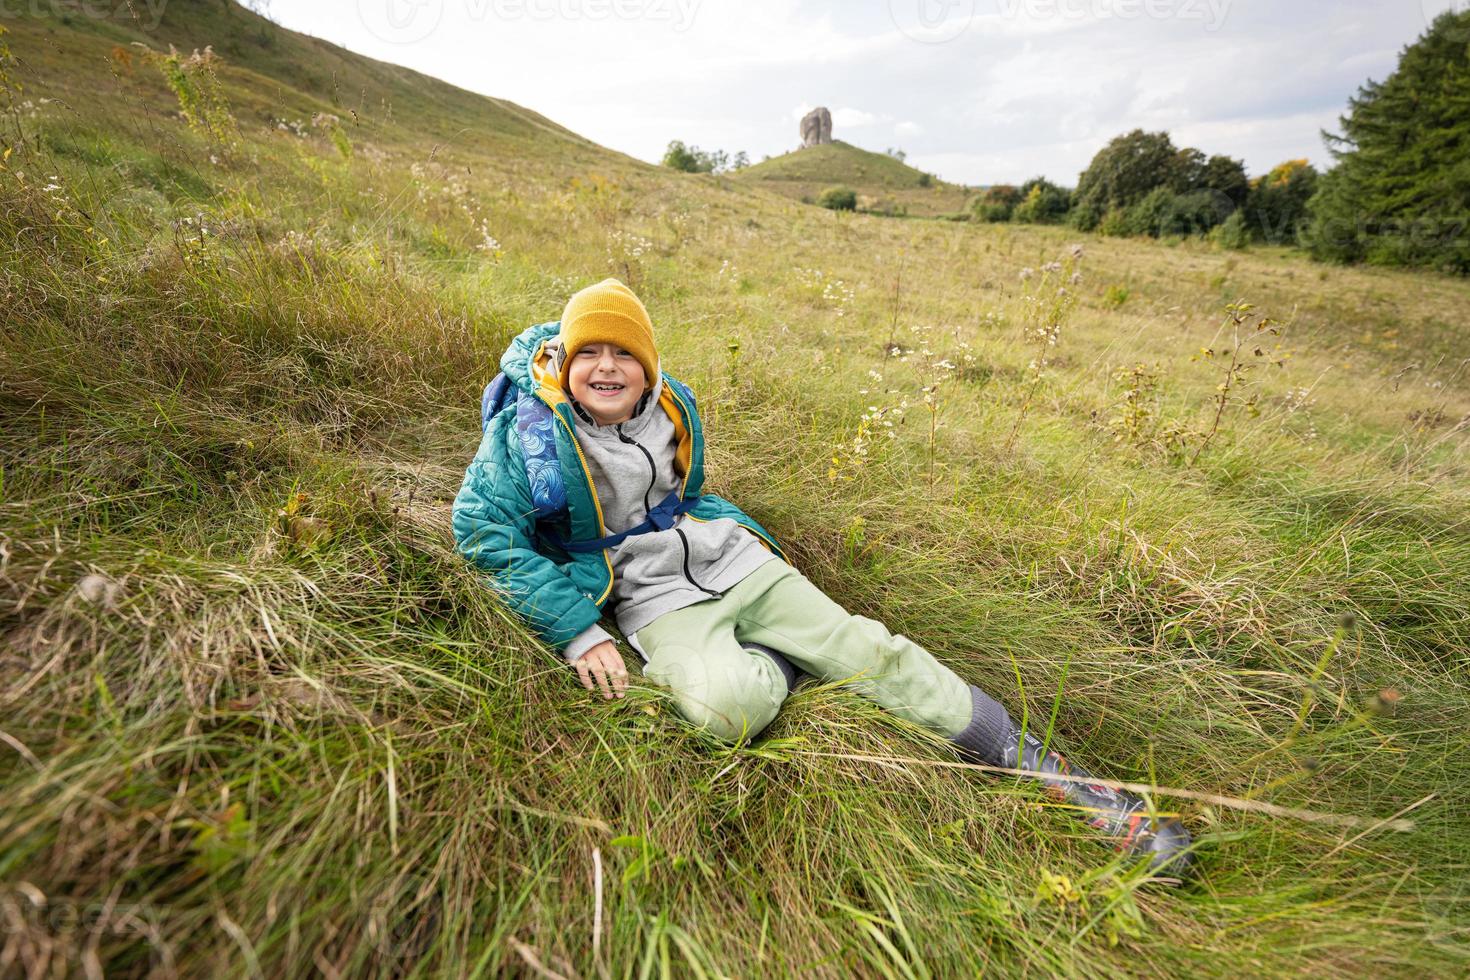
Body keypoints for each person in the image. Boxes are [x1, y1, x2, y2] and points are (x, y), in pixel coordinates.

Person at [452, 278, 1192, 875]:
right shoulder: (533, 430)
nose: (607, 366)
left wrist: (742, 541)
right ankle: (781, 659)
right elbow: (480, 530)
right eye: (591, 352)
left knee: (873, 654)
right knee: (725, 713)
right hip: (652, 595)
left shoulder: (672, 403)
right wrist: (579, 631)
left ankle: (1067, 784)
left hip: (731, 560)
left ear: (648, 363)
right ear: (566, 359)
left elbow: (687, 491)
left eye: (625, 352)